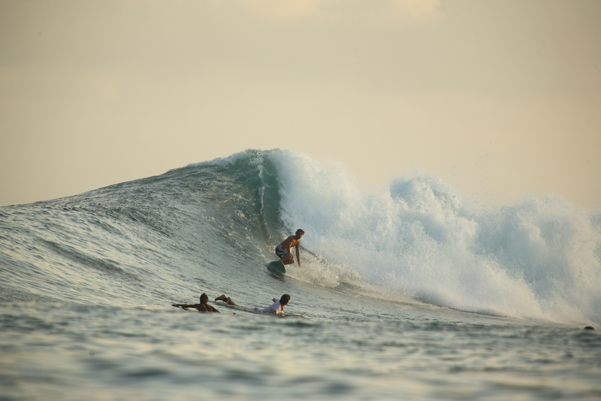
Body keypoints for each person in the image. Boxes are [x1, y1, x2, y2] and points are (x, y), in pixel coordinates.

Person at [215, 294, 291, 315]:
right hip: (258, 311)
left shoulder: (278, 302)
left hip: (259, 309)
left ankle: (229, 301)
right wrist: (278, 314)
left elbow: (274, 299)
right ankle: (224, 298)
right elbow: (275, 312)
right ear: (287, 302)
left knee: (238, 306)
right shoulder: (277, 306)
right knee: (237, 307)